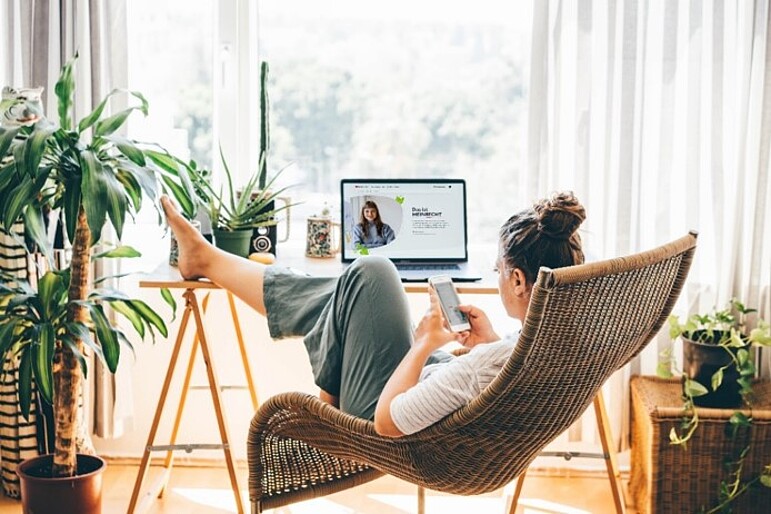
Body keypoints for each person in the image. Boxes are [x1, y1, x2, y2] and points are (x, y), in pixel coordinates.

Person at [160, 191, 586, 437]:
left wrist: (423, 344)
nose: (495, 279)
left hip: (377, 407)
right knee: (351, 290)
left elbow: (385, 422)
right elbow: (493, 374)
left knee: (372, 269)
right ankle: (208, 259)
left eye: (497, 271)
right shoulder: (561, 341)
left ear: (517, 280)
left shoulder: (486, 368)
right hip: (434, 385)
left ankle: (207, 260)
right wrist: (488, 342)